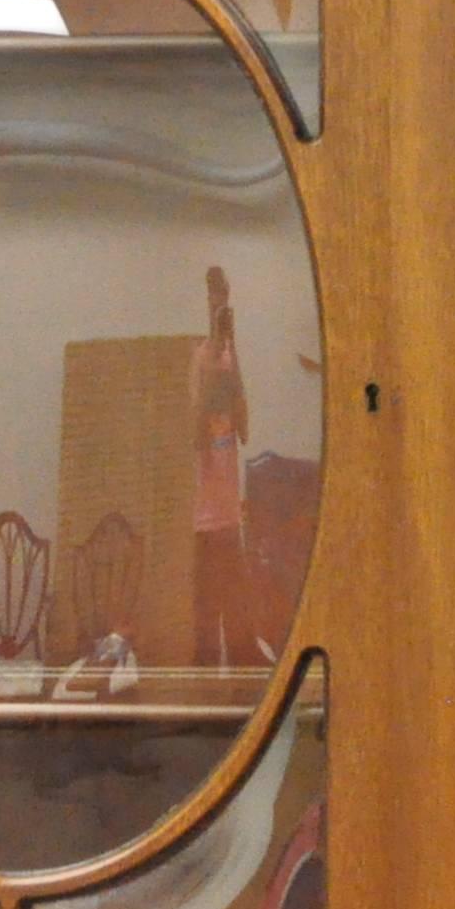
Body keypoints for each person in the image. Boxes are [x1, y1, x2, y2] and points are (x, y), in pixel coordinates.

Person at [189, 263, 257, 671]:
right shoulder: (199, 358)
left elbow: (245, 429)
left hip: (230, 517)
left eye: (225, 298)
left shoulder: (230, 357)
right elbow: (195, 433)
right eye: (215, 297)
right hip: (201, 521)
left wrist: (234, 358)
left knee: (237, 616)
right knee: (205, 623)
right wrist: (214, 369)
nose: (221, 305)